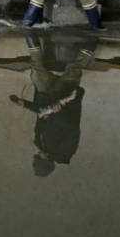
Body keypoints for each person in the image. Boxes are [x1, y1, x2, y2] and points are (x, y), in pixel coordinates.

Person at [9, 32, 96, 177]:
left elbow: (42, 113)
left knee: (36, 74)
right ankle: (93, 40)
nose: (37, 154)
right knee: (73, 69)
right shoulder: (66, 151)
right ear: (47, 160)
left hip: (46, 96)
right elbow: (72, 127)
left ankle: (32, 39)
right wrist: (59, 111)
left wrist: (24, 104)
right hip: (65, 96)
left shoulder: (39, 142)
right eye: (39, 157)